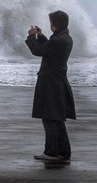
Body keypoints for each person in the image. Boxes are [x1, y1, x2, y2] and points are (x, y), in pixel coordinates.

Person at [26, 10, 76, 163]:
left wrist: (31, 37)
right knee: (57, 119)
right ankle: (63, 153)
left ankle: (51, 152)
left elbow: (39, 51)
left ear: (55, 24)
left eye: (51, 22)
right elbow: (49, 48)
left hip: (51, 84)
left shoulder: (59, 40)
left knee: (49, 118)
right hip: (57, 81)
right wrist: (40, 37)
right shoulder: (64, 37)